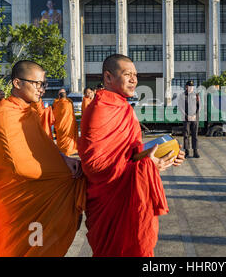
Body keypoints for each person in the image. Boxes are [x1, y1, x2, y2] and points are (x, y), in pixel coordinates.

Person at [78, 54, 186, 257]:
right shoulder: (100, 109)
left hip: (127, 192)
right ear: (108, 78)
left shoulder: (123, 107)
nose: (134, 80)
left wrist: (166, 154)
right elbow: (94, 165)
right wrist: (147, 166)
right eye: (127, 74)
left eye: (135, 75)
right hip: (109, 199)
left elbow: (130, 151)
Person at [0, 60, 85, 256]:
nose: (42, 89)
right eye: (37, 84)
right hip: (17, 197)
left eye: (44, 84)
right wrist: (63, 170)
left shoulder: (28, 111)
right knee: (22, 249)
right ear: (17, 83)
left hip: (36, 191)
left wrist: (63, 159)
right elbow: (20, 163)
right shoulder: (5, 113)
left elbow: (42, 146)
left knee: (40, 247)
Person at [177, 80, 200, 158]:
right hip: (186, 118)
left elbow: (199, 106)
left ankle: (195, 151)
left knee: (195, 135)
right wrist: (186, 116)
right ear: (186, 87)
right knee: (186, 135)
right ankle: (186, 152)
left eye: (192, 87)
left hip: (194, 118)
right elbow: (180, 107)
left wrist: (195, 115)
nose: (191, 88)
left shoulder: (196, 95)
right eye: (189, 86)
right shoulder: (182, 95)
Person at [52, 89, 78, 156]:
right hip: (68, 127)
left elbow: (53, 115)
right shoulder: (69, 103)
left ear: (59, 96)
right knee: (68, 141)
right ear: (66, 96)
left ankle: (62, 154)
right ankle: (68, 152)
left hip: (60, 127)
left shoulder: (56, 104)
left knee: (61, 142)